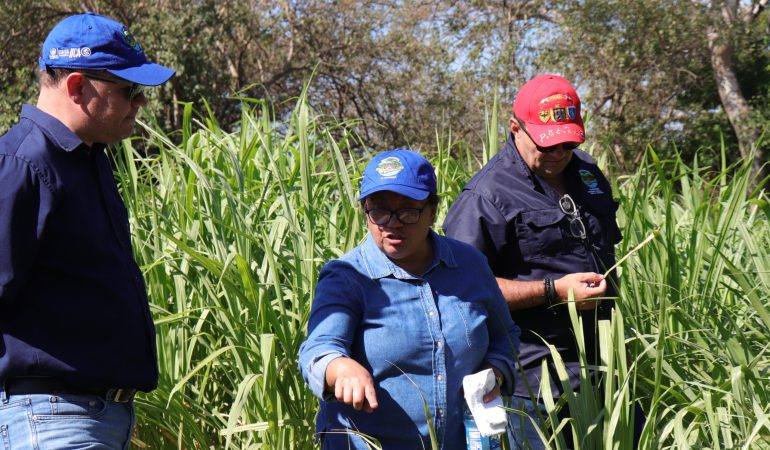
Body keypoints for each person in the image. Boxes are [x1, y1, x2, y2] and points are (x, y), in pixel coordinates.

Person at [0, 12, 174, 449]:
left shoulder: (86, 161)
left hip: (92, 418)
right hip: (50, 416)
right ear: (77, 87)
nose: (141, 103)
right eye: (129, 90)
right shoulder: (23, 164)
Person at [443, 74, 623, 449]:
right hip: (535, 380)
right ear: (515, 128)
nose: (558, 154)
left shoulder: (586, 171)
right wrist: (553, 292)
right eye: (547, 144)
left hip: (607, 365)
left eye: (568, 143)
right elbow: (460, 290)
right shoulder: (486, 195)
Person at [299, 149, 520, 449]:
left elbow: (505, 335)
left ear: (432, 210)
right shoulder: (347, 277)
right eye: (378, 210)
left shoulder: (469, 265)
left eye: (407, 210)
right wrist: (340, 367)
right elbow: (318, 348)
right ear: (365, 209)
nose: (392, 223)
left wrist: (496, 371)